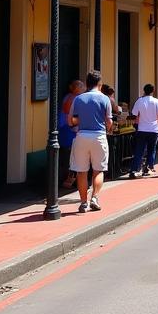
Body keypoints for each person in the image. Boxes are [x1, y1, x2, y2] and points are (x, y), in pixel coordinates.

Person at [68, 70, 113, 213]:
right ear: (100, 84)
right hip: (99, 136)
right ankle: (94, 197)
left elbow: (71, 120)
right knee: (98, 170)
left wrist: (80, 121)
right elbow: (109, 121)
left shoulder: (78, 99)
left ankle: (83, 203)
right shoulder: (105, 99)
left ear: (87, 83)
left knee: (81, 171)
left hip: (82, 136)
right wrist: (108, 129)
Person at [129, 83, 158, 178]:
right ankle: (148, 168)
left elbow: (135, 116)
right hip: (153, 130)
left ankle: (134, 169)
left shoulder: (139, 101)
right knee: (151, 150)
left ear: (144, 90)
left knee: (139, 150)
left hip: (142, 129)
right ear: (153, 91)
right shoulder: (157, 102)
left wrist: (136, 125)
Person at [58, 79, 84, 190]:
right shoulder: (73, 98)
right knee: (71, 156)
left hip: (66, 129)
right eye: (82, 86)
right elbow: (71, 116)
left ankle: (69, 179)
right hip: (68, 130)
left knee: (69, 155)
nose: (84, 89)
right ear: (77, 88)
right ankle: (68, 180)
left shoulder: (69, 97)